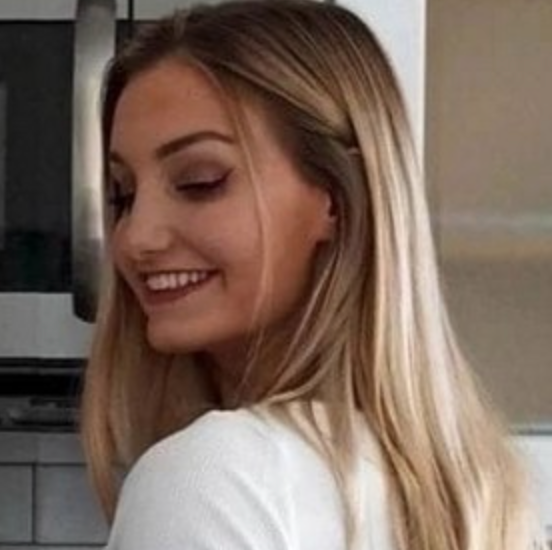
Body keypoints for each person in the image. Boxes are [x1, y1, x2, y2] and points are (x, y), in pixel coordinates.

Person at [80, 1, 546, 549]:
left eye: (200, 181)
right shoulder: (485, 493)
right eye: (123, 196)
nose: (135, 237)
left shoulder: (211, 477)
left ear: (338, 196)